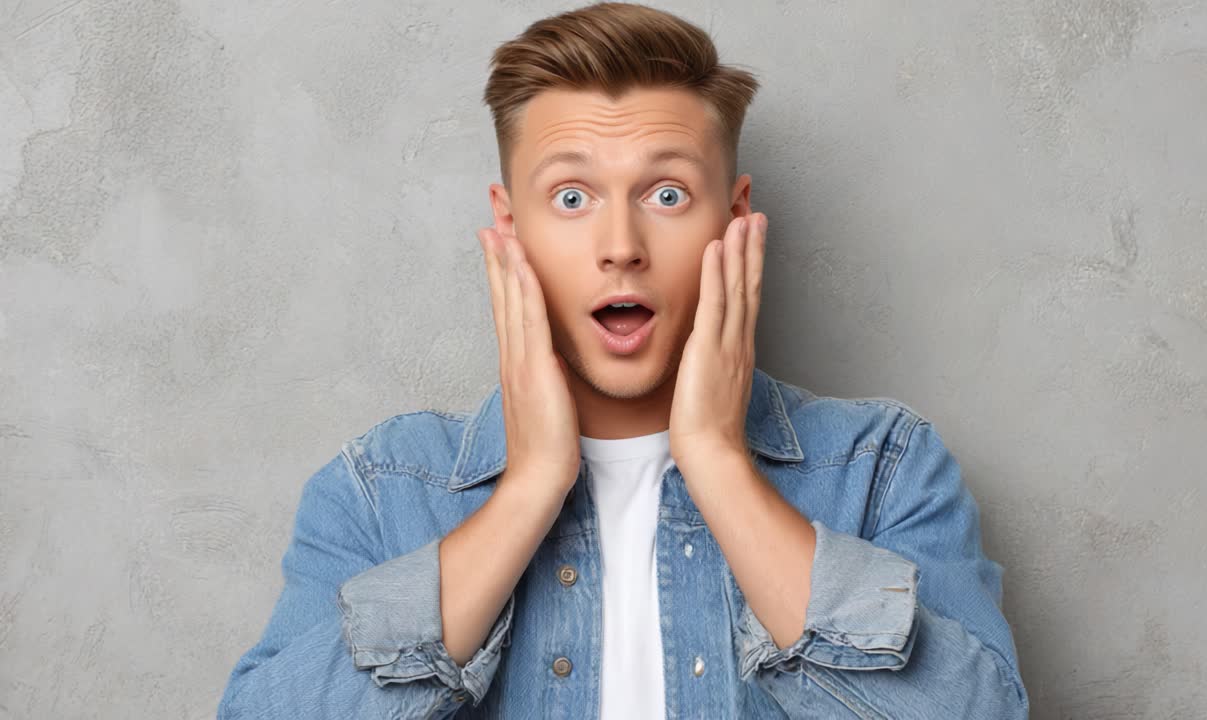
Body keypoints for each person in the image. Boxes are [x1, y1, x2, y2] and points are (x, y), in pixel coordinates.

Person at [215, 2, 1029, 718]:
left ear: (734, 218)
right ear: (510, 228)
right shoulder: (380, 491)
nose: (620, 247)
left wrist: (717, 462)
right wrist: (529, 489)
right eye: (571, 198)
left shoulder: (884, 468)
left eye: (667, 195)